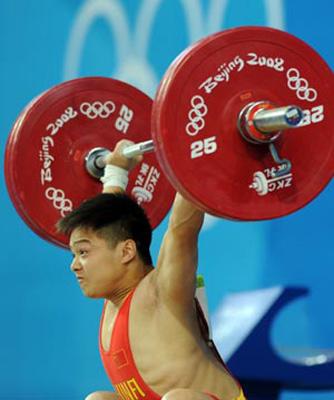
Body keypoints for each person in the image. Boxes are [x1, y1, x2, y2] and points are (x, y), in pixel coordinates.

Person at [57, 140, 246, 400]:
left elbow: (182, 229)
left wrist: (198, 145)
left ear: (126, 252)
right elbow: (109, 219)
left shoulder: (162, 292)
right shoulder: (116, 298)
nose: (74, 265)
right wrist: (116, 171)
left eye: (83, 253)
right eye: (75, 254)